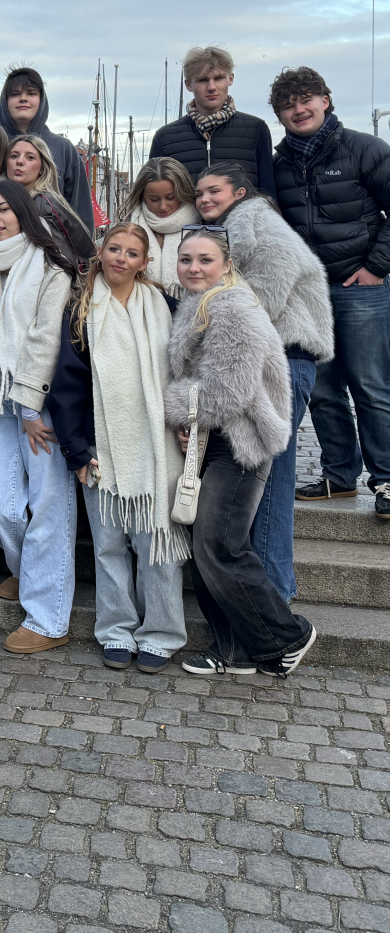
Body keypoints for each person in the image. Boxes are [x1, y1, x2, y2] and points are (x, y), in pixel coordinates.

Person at [166, 227, 318, 676]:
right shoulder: (203, 303)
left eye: (205, 260)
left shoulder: (232, 307)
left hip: (240, 444)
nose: (194, 267)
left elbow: (226, 392)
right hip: (216, 441)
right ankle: (235, 651)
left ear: (226, 264)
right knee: (208, 546)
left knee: (220, 546)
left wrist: (177, 408)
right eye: (186, 258)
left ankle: (288, 634)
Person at [49, 224, 187, 672]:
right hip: (99, 448)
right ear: (101, 253)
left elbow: (185, 371)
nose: (121, 258)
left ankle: (161, 633)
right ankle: (116, 630)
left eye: (132, 253)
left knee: (155, 546)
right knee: (108, 546)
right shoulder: (82, 307)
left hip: (156, 447)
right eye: (114, 249)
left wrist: (187, 423)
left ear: (145, 262)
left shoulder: (165, 306)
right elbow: (66, 387)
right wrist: (76, 450)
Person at [194, 162, 334, 598]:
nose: (204, 199)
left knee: (267, 479)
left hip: (284, 356)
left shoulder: (256, 220)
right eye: (199, 194)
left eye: (214, 191)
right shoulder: (243, 224)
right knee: (271, 475)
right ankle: (273, 587)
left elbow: (266, 291)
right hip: (280, 355)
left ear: (239, 192)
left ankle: (271, 592)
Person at [0, 179, 76, 653]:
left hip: (38, 400)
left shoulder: (50, 262)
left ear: (24, 212)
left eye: (5, 209)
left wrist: (31, 407)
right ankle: (27, 569)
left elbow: (47, 337)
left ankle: (48, 618)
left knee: (48, 507)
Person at [269, 67, 390, 515]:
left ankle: (386, 481)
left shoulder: (363, 148)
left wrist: (376, 267)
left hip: (360, 287)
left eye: (307, 100)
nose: (299, 110)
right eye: (288, 105)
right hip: (307, 295)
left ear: (325, 100)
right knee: (321, 389)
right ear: (280, 114)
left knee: (372, 387)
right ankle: (339, 476)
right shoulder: (280, 163)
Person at [148, 46, 276, 194]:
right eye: (203, 80)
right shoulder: (165, 138)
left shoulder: (256, 129)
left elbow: (268, 194)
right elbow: (153, 195)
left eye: (218, 78)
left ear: (230, 79)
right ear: (189, 84)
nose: (211, 87)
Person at [0, 66, 95, 229]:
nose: (23, 99)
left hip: (52, 248)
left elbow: (80, 210)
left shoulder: (63, 149)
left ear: (41, 100)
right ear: (5, 101)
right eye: (15, 94)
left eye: (31, 93)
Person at [6, 133, 95, 268]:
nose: (19, 161)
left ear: (42, 168)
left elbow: (58, 263)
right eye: (14, 156)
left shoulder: (42, 205)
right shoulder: (6, 201)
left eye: (30, 157)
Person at [118, 158, 199, 296]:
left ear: (182, 192)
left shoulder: (202, 225)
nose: (162, 206)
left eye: (171, 197)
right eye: (154, 199)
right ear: (142, 196)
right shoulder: (126, 229)